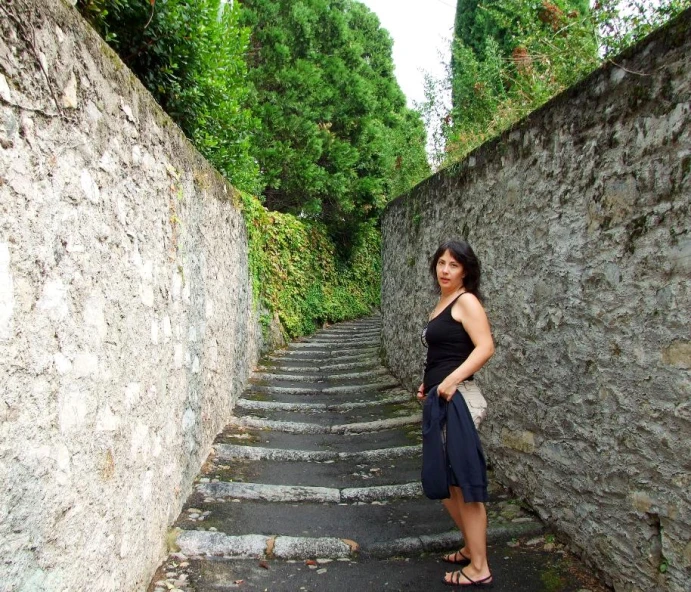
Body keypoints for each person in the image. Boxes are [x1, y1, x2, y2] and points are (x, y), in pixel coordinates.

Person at [417, 239, 495, 587]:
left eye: (453, 265)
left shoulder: (466, 301)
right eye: (441, 263)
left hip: (458, 399)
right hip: (440, 398)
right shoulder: (443, 302)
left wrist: (450, 380)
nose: (445, 270)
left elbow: (485, 346)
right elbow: (442, 351)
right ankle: (471, 547)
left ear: (466, 271)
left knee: (463, 483)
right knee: (445, 482)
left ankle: (479, 567)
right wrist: (427, 384)